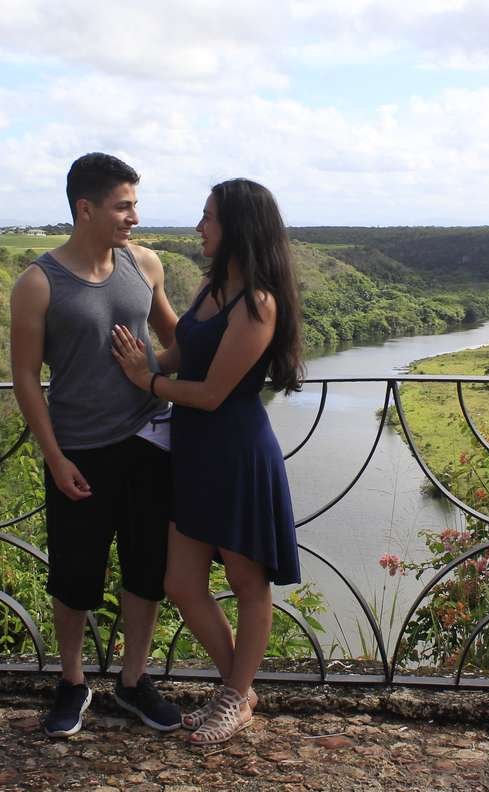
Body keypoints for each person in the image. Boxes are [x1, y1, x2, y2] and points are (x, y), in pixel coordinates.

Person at [111, 178, 304, 745]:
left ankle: (234, 694)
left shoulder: (258, 302)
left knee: (247, 581)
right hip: (194, 449)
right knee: (181, 581)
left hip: (236, 451)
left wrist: (147, 380)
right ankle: (238, 691)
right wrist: (135, 360)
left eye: (209, 217)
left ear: (238, 227)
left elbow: (213, 392)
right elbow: (182, 354)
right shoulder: (211, 287)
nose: (199, 227)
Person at [9, 152, 183, 737]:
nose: (134, 217)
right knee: (75, 574)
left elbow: (177, 341)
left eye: (135, 204)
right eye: (123, 206)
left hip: (150, 439)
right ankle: (72, 682)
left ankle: (133, 681)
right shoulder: (38, 283)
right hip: (79, 449)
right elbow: (25, 377)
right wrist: (54, 457)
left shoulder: (145, 263)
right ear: (85, 209)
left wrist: (153, 375)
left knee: (146, 569)